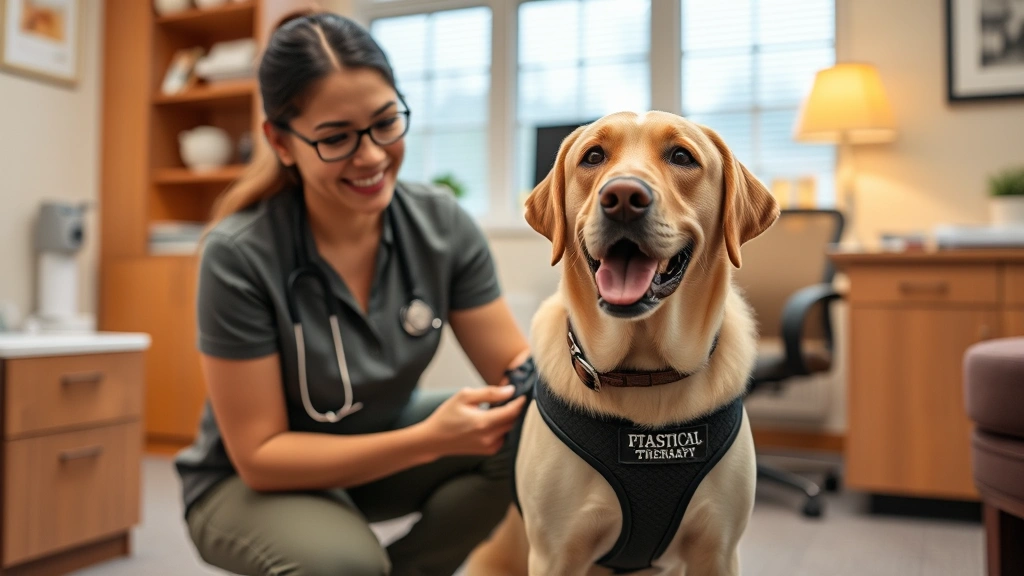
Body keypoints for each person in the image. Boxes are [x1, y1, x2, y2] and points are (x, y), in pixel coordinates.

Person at [174, 11, 530, 576]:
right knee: (345, 565)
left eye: (386, 123)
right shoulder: (239, 254)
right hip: (252, 481)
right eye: (336, 137)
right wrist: (428, 441)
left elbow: (515, 369)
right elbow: (261, 457)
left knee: (525, 429)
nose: (370, 156)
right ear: (281, 143)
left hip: (375, 444)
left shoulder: (440, 225)